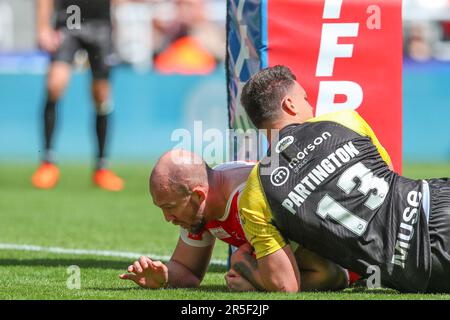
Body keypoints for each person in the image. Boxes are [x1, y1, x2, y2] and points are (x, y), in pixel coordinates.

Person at [237, 65, 450, 293]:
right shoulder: (343, 119)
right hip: (434, 205)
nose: (311, 106)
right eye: (306, 99)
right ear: (289, 104)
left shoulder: (255, 192)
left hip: (417, 268)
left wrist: (248, 275)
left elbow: (285, 286)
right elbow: (388, 173)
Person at [119, 149, 350, 291]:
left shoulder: (250, 198)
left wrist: (249, 272)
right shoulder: (205, 202)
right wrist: (164, 276)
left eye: (169, 208)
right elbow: (188, 271)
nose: (167, 218)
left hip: (356, 263)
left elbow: (327, 275)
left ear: (198, 195)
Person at [32, 0, 124, 191]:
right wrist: (43, 27)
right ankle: (47, 163)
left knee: (101, 96)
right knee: (54, 85)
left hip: (100, 26)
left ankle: (102, 167)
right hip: (68, 23)